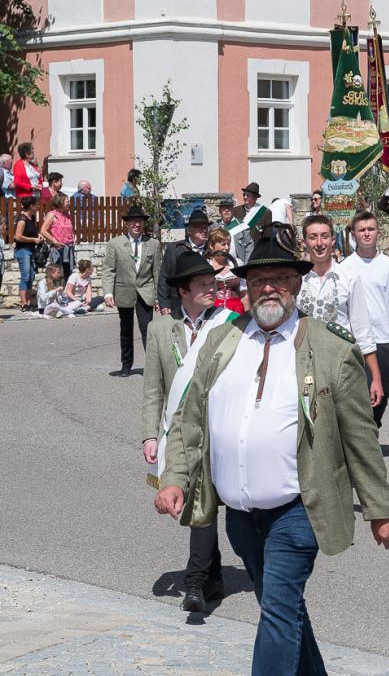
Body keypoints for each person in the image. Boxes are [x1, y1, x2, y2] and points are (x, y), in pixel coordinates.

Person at [154, 231, 389, 676]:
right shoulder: (222, 340)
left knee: (278, 611)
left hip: (298, 510)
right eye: (258, 280)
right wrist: (175, 477)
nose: (268, 287)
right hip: (241, 517)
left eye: (280, 279)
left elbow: (359, 437)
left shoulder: (329, 348)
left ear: (297, 285)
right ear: (245, 288)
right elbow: (190, 418)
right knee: (279, 608)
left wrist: (380, 509)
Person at [142, 252, 233, 614]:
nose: (212, 288)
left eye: (213, 283)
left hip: (213, 428)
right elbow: (153, 388)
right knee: (197, 502)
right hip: (177, 433)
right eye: (202, 285)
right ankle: (210, 575)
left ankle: (196, 579)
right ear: (183, 291)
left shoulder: (228, 325)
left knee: (202, 499)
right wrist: (150, 435)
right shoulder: (159, 329)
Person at [339, 211, 389, 427]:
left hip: (382, 337)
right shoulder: (344, 267)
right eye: (362, 230)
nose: (367, 234)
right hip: (354, 339)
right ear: (354, 234)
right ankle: (362, 435)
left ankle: (372, 426)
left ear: (378, 232)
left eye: (371, 229)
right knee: (358, 391)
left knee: (384, 390)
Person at [102, 205, 161, 377]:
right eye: (133, 221)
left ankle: (152, 366)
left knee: (147, 329)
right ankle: (126, 365)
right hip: (124, 291)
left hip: (146, 291)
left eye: (140, 221)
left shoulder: (153, 244)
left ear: (143, 223)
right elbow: (108, 269)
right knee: (126, 329)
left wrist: (158, 297)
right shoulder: (116, 243)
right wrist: (108, 292)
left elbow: (157, 272)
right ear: (127, 223)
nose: (136, 224)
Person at [297, 214, 354, 328]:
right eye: (313, 237)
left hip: (340, 345)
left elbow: (361, 327)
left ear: (333, 240)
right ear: (304, 243)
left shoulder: (349, 277)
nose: (319, 243)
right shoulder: (295, 279)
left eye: (324, 236)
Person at [158, 208, 211, 315]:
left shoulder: (211, 249)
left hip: (205, 303)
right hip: (178, 302)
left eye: (205, 227)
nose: (204, 230)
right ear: (190, 230)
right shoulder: (175, 249)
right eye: (199, 227)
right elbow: (164, 276)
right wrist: (164, 303)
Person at [12, 196, 42, 312]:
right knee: (25, 276)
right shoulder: (22, 219)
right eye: (36, 204)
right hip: (23, 250)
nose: (38, 206)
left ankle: (28, 302)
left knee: (31, 276)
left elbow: (33, 231)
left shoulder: (32, 217)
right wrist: (33, 240)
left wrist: (38, 235)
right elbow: (18, 237)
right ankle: (24, 304)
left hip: (31, 249)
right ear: (31, 206)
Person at [230, 183, 272, 263]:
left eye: (248, 195)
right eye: (244, 194)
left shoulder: (265, 212)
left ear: (255, 198)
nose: (245, 197)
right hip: (238, 251)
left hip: (256, 252)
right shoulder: (236, 211)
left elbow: (267, 236)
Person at [40, 192, 75, 279]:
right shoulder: (52, 214)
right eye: (67, 202)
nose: (69, 204)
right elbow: (43, 230)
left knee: (68, 273)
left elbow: (70, 229)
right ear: (60, 202)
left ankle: (66, 291)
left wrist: (73, 238)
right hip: (59, 248)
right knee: (56, 273)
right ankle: (55, 290)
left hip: (69, 247)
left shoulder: (67, 215)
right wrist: (55, 241)